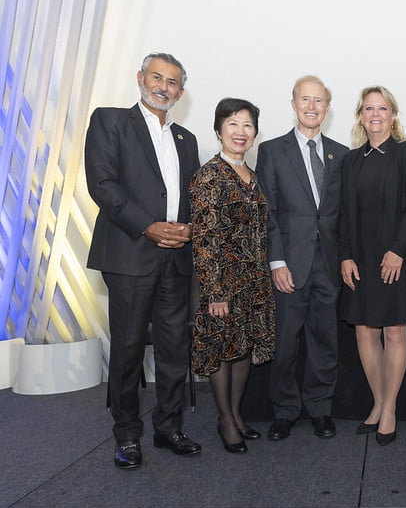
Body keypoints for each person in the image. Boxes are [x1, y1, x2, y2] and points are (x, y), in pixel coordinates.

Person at [85, 52, 201, 469]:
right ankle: (127, 435)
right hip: (131, 253)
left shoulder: (186, 139)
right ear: (140, 78)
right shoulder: (111, 121)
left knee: (173, 348)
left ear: (181, 92)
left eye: (172, 82)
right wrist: (148, 226)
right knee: (130, 348)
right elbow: (102, 184)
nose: (163, 87)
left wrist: (189, 227)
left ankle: (168, 428)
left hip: (176, 258)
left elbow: (191, 195)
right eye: (157, 77)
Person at [256, 76, 348, 441]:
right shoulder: (272, 151)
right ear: (293, 103)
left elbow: (343, 214)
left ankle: (320, 409)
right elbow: (269, 211)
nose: (312, 107)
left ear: (328, 107)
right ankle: (285, 411)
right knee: (286, 343)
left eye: (319, 101)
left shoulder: (341, 154)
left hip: (329, 264)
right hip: (290, 265)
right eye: (305, 100)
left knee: (325, 341)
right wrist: (276, 261)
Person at [340, 86, 406, 446]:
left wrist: (396, 250)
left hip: (397, 257)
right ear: (360, 115)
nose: (375, 114)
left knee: (394, 332)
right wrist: (344, 254)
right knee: (364, 331)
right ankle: (377, 403)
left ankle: (390, 408)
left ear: (393, 114)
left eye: (382, 108)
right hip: (360, 258)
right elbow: (344, 213)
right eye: (368, 108)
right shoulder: (350, 160)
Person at [190, 98, 276, 453]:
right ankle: (225, 419)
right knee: (223, 351)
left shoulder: (251, 175)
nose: (241, 132)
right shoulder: (209, 175)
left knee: (243, 349)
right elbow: (205, 238)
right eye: (233, 125)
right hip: (222, 282)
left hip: (252, 280)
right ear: (218, 130)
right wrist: (215, 292)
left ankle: (237, 413)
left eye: (248, 125)